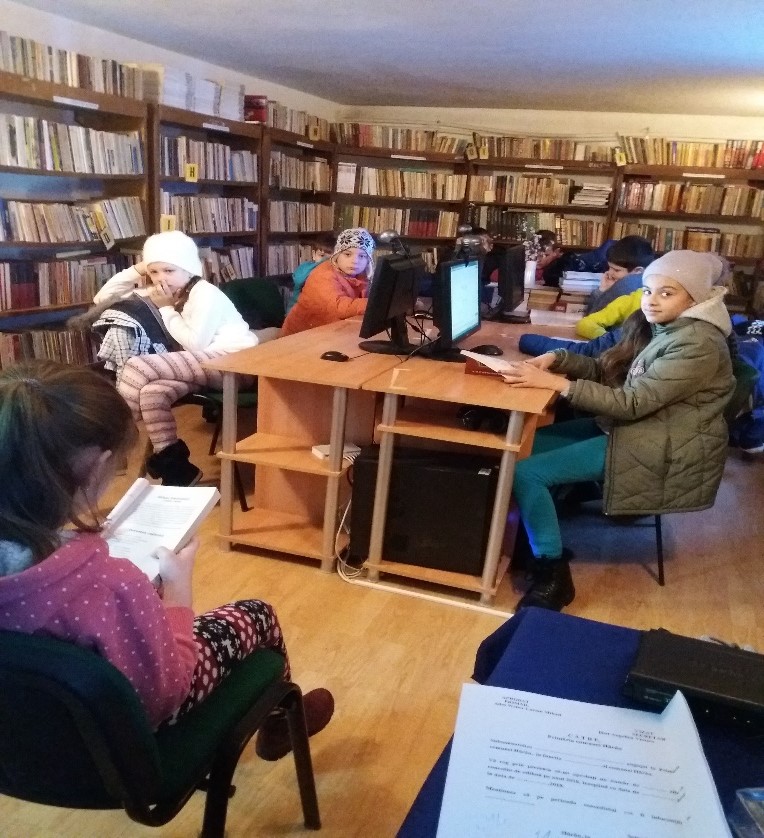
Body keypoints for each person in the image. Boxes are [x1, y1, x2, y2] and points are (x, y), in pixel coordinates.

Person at [0, 361, 334, 759]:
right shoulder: (115, 583)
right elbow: (166, 693)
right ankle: (278, 725)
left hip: (25, 747)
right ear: (95, 466)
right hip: (116, 748)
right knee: (258, 615)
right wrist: (177, 589)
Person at [501, 250, 735, 611]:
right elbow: (609, 370)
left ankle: (553, 574)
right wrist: (559, 359)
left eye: (666, 293)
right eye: (648, 291)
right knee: (522, 445)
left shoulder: (697, 344)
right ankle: (530, 539)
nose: (651, 301)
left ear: (696, 299)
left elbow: (631, 402)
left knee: (527, 472)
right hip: (635, 428)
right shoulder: (662, 326)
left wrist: (558, 384)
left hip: (660, 443)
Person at [106, 231, 263, 487]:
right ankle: (178, 471)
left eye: (169, 270)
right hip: (205, 366)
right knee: (152, 393)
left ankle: (112, 441)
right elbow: (104, 298)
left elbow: (195, 343)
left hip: (236, 363)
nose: (161, 278)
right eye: (154, 272)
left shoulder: (205, 293)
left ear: (188, 268)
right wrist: (139, 268)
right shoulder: (170, 291)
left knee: (137, 366)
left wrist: (166, 309)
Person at [281, 227, 375, 336]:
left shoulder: (361, 276)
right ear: (337, 255)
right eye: (347, 254)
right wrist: (373, 304)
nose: (355, 261)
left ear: (368, 261)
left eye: (362, 256)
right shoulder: (324, 273)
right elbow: (337, 307)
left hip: (331, 331)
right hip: (300, 335)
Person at [584, 235, 655, 314]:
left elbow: (591, 316)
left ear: (638, 271)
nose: (609, 273)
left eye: (616, 270)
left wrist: (605, 292)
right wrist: (603, 289)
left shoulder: (626, 287)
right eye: (609, 267)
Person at [286, 233, 337, 314]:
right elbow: (299, 280)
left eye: (330, 258)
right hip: (296, 311)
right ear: (314, 255)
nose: (325, 261)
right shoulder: (305, 267)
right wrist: (322, 263)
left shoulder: (334, 271)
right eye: (322, 256)